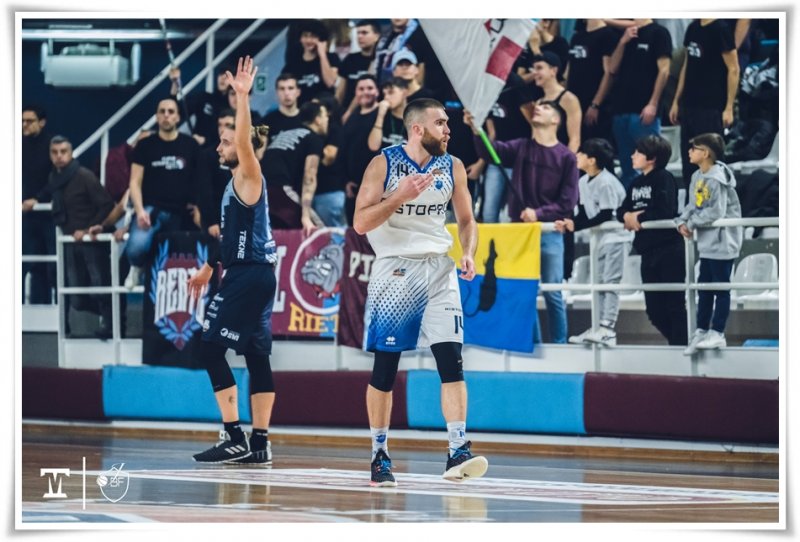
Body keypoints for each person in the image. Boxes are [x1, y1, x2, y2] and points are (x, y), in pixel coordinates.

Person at [353, 98, 488, 487]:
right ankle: (379, 454)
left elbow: (467, 219)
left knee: (452, 361)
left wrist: (468, 252)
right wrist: (398, 196)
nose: (448, 129)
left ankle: (457, 449)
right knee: (386, 368)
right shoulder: (383, 164)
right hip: (396, 270)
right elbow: (360, 222)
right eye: (440, 123)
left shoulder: (453, 166)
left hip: (440, 269)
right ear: (417, 129)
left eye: (447, 123)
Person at [187, 56, 278, 465]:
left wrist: (242, 97)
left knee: (209, 350)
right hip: (254, 274)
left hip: (249, 276)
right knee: (257, 358)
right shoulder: (235, 185)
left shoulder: (248, 172)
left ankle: (233, 435)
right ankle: (260, 443)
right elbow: (229, 239)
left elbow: (243, 142)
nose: (218, 147)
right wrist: (210, 266)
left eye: (224, 142)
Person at [467, 102, 579, 344]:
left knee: (553, 292)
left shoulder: (567, 157)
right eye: (538, 105)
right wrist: (477, 130)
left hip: (549, 231)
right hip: (520, 232)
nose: (538, 107)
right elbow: (490, 152)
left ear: (556, 120)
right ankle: (533, 343)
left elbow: (568, 202)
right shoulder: (521, 147)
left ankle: (560, 345)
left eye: (546, 107)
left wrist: (538, 213)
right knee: (525, 291)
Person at [22, 136, 115, 339]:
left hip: (90, 241)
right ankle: (113, 316)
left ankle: (112, 322)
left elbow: (107, 204)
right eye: (54, 152)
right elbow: (48, 191)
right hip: (70, 241)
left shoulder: (84, 176)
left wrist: (89, 228)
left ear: (71, 153)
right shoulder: (54, 178)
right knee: (77, 299)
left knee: (101, 285)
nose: (59, 156)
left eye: (63, 152)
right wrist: (35, 199)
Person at [555, 138, 632, 346]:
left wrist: (577, 226)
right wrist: (571, 223)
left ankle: (607, 327)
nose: (577, 156)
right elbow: (584, 214)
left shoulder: (607, 182)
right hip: (599, 239)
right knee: (597, 283)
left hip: (616, 237)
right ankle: (597, 326)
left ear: (592, 160)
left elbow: (606, 214)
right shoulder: (583, 182)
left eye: (581, 154)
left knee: (610, 282)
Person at [617, 135, 687, 346]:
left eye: (638, 152)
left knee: (674, 306)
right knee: (654, 311)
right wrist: (627, 216)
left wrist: (637, 218)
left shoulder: (664, 178)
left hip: (669, 251)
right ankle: (678, 344)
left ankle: (680, 348)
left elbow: (665, 210)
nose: (632, 156)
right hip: (647, 252)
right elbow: (621, 210)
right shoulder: (635, 183)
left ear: (652, 158)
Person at [677, 133, 743, 355]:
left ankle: (718, 332)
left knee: (720, 288)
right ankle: (702, 330)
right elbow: (693, 205)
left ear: (705, 153)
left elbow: (716, 211)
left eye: (693, 148)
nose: (689, 152)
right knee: (704, 288)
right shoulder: (697, 175)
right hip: (707, 244)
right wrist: (682, 221)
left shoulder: (717, 178)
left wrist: (691, 223)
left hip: (723, 242)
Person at [126, 96, 200, 286]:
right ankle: (137, 267)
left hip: (182, 213)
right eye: (162, 111)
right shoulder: (145, 145)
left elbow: (200, 180)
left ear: (178, 117)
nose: (166, 115)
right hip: (151, 211)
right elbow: (134, 181)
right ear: (157, 117)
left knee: (180, 262)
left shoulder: (190, 145)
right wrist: (139, 211)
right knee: (135, 250)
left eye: (171, 111)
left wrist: (198, 206)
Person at [669, 19, 739, 189]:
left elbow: (734, 69)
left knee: (710, 163)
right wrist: (676, 100)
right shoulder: (693, 27)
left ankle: (715, 201)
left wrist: (729, 107)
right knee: (689, 163)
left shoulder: (720, 29)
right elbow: (687, 65)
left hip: (711, 106)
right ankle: (692, 201)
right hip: (689, 105)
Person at [608, 19, 672, 188]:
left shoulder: (659, 32)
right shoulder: (626, 34)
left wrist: (653, 103)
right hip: (621, 109)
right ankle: (631, 199)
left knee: (650, 162)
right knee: (628, 165)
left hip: (644, 109)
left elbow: (664, 70)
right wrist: (622, 42)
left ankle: (655, 197)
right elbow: (612, 69)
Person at [261, 101, 328, 235]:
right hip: (279, 189)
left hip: (260, 190)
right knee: (319, 233)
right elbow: (309, 176)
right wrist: (305, 216)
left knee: (282, 234)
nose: (327, 120)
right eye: (325, 116)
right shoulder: (313, 139)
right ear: (318, 120)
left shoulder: (285, 133)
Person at [22, 104, 56, 304]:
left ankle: (55, 313)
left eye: (29, 121)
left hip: (48, 214)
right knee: (28, 264)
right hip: (25, 216)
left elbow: (57, 178)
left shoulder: (52, 146)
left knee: (51, 266)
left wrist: (38, 199)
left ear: (41, 122)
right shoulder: (16, 145)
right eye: (22, 121)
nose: (24, 125)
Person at [565, 19, 619, 143]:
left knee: (592, 144)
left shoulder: (608, 35)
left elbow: (608, 73)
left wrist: (596, 104)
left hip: (593, 102)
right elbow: (568, 70)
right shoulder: (577, 37)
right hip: (574, 101)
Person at [340, 74, 380, 225]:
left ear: (377, 91)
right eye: (361, 89)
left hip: (378, 187)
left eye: (369, 88)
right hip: (354, 188)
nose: (365, 92)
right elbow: (344, 151)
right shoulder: (351, 117)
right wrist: (346, 180)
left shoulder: (383, 115)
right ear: (355, 93)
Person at [281, 19, 341, 106]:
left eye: (313, 36)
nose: (309, 40)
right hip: (301, 110)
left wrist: (322, 55)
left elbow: (331, 83)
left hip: (324, 109)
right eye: (305, 36)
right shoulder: (292, 65)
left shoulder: (331, 58)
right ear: (300, 39)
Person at [337, 19, 382, 119]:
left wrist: (349, 113)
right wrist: (335, 111)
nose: (360, 36)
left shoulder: (380, 60)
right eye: (358, 33)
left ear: (377, 36)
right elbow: (340, 90)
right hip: (345, 110)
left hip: (369, 113)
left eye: (364, 33)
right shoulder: (350, 59)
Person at [367, 77, 409, 152]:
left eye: (391, 92)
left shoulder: (415, 117)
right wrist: (380, 116)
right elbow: (373, 146)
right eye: (384, 94)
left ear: (405, 93)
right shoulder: (379, 113)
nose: (386, 97)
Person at [262, 73, 303, 139]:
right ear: (276, 93)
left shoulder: (307, 119)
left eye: (290, 88)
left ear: (298, 92)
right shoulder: (266, 122)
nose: (286, 93)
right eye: (282, 89)